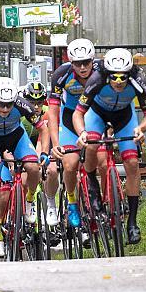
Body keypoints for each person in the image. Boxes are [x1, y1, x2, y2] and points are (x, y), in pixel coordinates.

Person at [73, 48, 146, 244]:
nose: (118, 81)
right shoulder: (97, 79)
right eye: (114, 77)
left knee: (133, 164)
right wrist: (82, 133)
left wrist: (141, 128)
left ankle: (132, 223)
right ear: (107, 74)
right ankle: (92, 184)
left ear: (130, 74)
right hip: (97, 114)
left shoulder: (138, 81)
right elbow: (78, 113)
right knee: (92, 145)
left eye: (123, 77)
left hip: (124, 117)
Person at [0, 77, 49, 258]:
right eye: (2, 104)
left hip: (17, 140)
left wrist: (45, 152)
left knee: (33, 168)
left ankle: (30, 200)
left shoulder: (23, 105)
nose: (6, 109)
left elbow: (43, 129)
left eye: (9, 105)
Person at [49, 38, 100, 228]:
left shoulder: (102, 71)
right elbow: (53, 112)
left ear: (93, 60)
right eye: (78, 63)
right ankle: (72, 203)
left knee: (100, 158)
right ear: (71, 63)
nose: (83, 67)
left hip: (95, 116)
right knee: (70, 165)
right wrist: (56, 145)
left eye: (87, 62)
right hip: (70, 118)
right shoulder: (61, 75)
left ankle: (102, 196)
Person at [22, 82, 59, 227]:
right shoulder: (21, 114)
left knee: (51, 171)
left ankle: (50, 205)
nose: (36, 107)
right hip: (25, 143)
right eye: (32, 103)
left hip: (43, 142)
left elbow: (46, 138)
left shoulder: (47, 112)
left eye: (39, 102)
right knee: (24, 181)